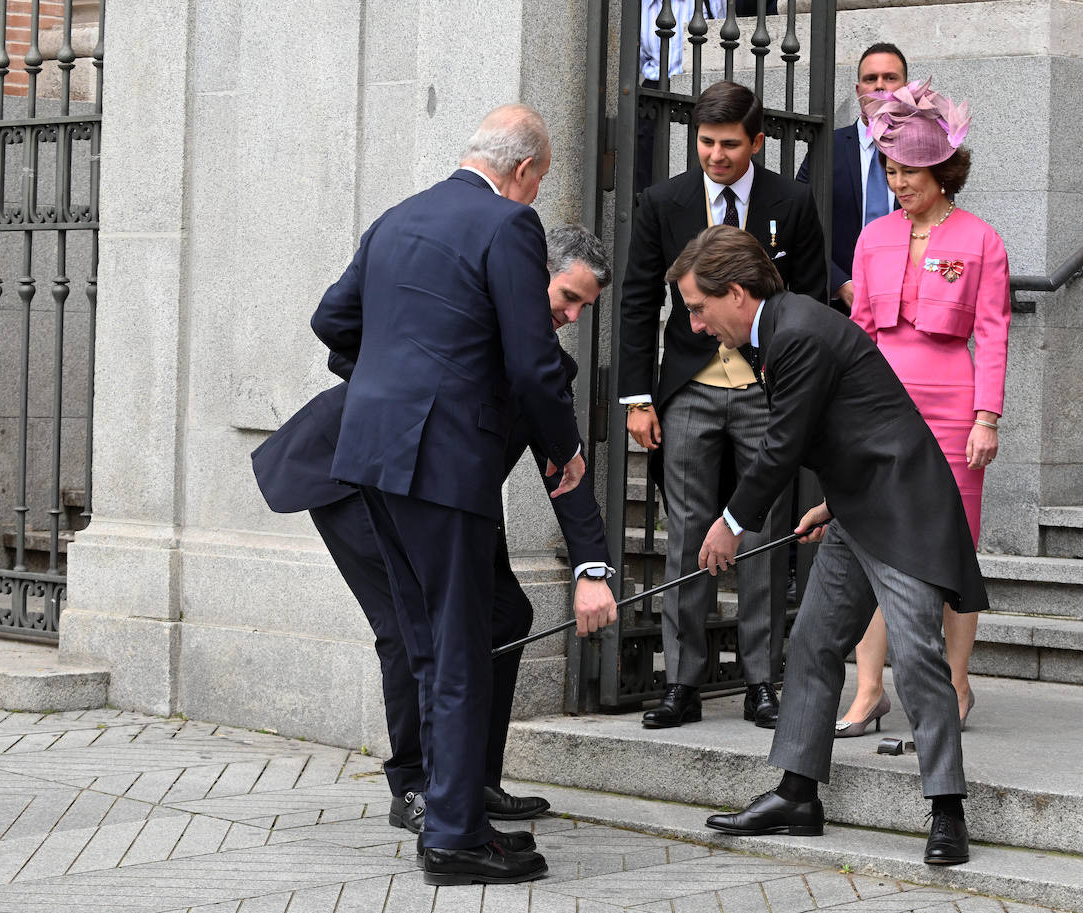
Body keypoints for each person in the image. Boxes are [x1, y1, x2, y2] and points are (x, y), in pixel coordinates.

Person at [310, 104, 612, 886]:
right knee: (460, 641)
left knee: (427, 639)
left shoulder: (398, 217)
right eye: (538, 183)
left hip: (372, 455)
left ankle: (444, 809)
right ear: (525, 172)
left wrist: (387, 381)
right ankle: (453, 837)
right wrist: (566, 452)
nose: (533, 196)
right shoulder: (511, 227)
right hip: (444, 461)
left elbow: (332, 319)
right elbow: (531, 362)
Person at [252, 225, 618, 836]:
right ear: (534, 276)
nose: (573, 315)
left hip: (452, 496)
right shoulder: (461, 318)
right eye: (567, 297)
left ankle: (471, 779)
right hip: (362, 476)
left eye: (584, 307)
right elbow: (347, 343)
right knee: (406, 627)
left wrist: (592, 569)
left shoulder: (546, 366)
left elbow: (566, 466)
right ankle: (417, 787)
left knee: (505, 615)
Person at [675, 224, 985, 866]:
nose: (698, 326)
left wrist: (730, 523)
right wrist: (832, 500)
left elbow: (783, 444)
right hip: (856, 504)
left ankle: (948, 809)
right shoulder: (780, 329)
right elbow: (846, 421)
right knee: (813, 643)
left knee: (919, 655)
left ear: (735, 293)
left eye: (699, 309)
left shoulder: (796, 332)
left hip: (901, 508)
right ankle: (796, 795)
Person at [618, 80, 827, 731]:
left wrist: (796, 388)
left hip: (766, 390)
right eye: (706, 142)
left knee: (760, 530)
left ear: (756, 140)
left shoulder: (791, 202)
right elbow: (637, 298)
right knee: (686, 533)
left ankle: (761, 679)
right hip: (689, 390)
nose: (715, 155)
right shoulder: (664, 201)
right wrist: (636, 397)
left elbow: (811, 298)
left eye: (729, 144)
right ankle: (681, 679)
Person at [838, 78, 1010, 736]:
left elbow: (992, 332)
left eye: (909, 169)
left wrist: (986, 416)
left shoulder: (981, 239)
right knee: (879, 543)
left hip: (954, 409)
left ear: (941, 168)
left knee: (953, 547)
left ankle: (957, 683)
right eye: (890, 167)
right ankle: (869, 688)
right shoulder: (874, 237)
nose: (898, 179)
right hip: (884, 411)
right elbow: (858, 334)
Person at [796, 42, 909, 313]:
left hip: (909, 304)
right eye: (871, 79)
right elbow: (800, 222)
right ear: (859, 91)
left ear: (906, 89)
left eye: (890, 78)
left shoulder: (926, 150)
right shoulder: (827, 149)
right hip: (839, 307)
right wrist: (840, 283)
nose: (880, 86)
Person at [637, 0, 727, 195]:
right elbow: (640, 56)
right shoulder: (643, 4)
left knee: (694, 165)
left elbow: (722, 40)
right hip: (653, 90)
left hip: (699, 87)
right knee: (648, 170)